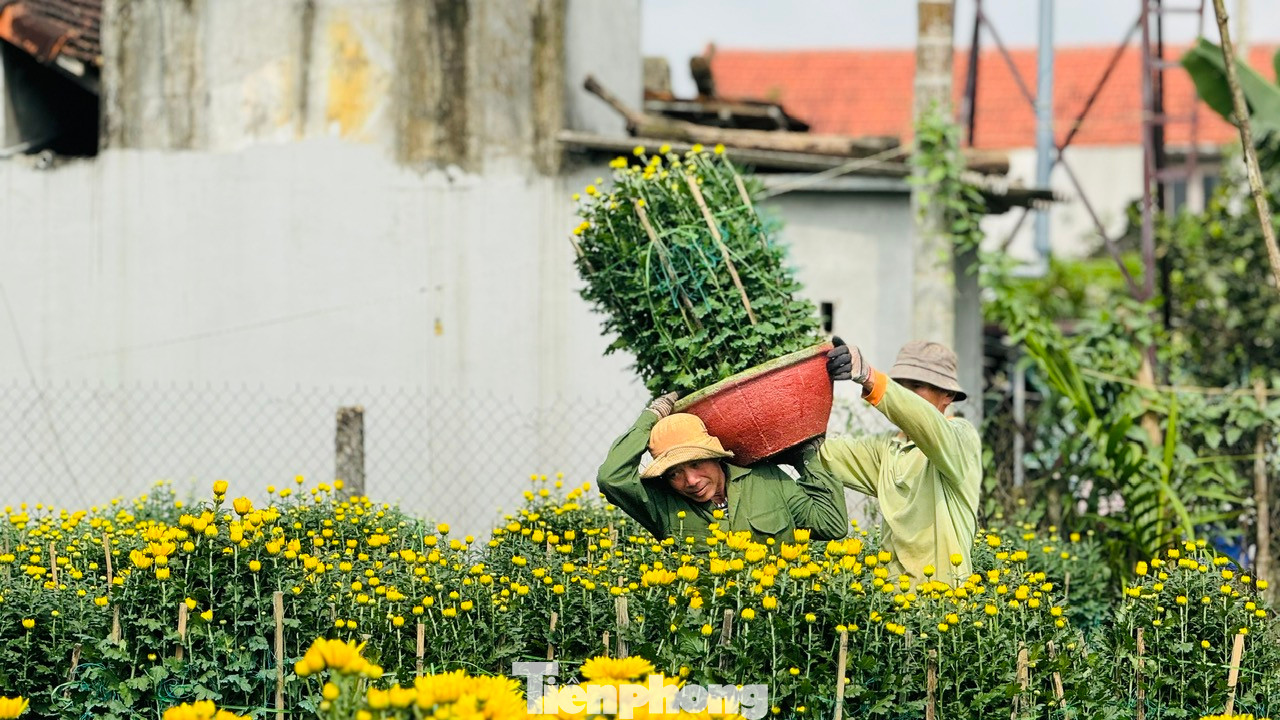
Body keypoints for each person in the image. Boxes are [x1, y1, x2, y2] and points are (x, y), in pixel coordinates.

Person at [822, 338, 981, 582]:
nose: (906, 394)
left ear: (947, 394)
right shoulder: (889, 447)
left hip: (943, 607)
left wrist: (869, 377)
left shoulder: (961, 438)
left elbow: (927, 423)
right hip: (890, 604)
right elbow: (825, 453)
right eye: (901, 386)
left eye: (916, 386)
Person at [597, 393, 849, 545]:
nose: (691, 480)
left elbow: (831, 525)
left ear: (716, 456)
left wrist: (804, 456)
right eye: (674, 474)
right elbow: (611, 478)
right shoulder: (662, 505)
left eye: (696, 463)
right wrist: (651, 416)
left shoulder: (766, 478)